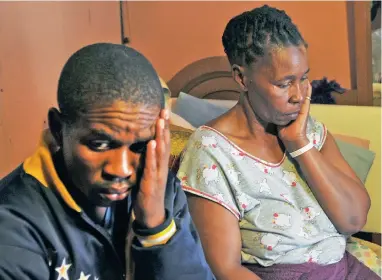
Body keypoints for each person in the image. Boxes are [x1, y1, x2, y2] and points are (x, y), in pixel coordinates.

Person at [177, 5, 379, 280]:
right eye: (284, 84)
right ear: (241, 77)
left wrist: (301, 145)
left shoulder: (309, 131)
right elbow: (226, 269)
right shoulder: (211, 152)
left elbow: (354, 220)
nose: (298, 95)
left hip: (346, 271)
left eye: (304, 78)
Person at [0, 43, 214, 280]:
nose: (121, 169)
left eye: (139, 146)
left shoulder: (164, 191)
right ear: (58, 129)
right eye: (99, 144)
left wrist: (156, 226)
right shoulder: (12, 225)